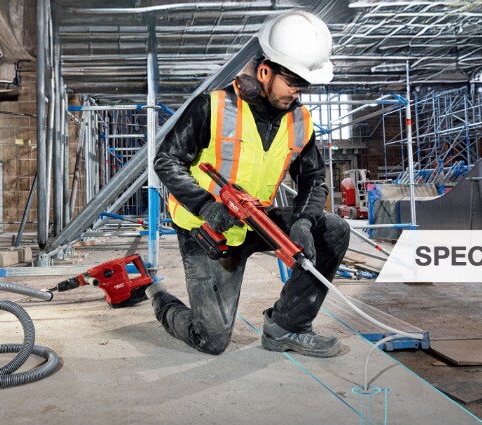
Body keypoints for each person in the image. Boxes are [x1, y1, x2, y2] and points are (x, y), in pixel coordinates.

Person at [147, 10, 351, 358]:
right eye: (292, 81)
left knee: (332, 229)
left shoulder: (300, 120)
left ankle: (287, 327)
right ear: (265, 70)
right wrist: (207, 207)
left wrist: (303, 220)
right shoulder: (211, 106)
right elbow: (166, 161)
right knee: (211, 341)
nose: (297, 92)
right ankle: (161, 300)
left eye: (303, 84)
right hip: (206, 230)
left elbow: (313, 177)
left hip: (257, 218)